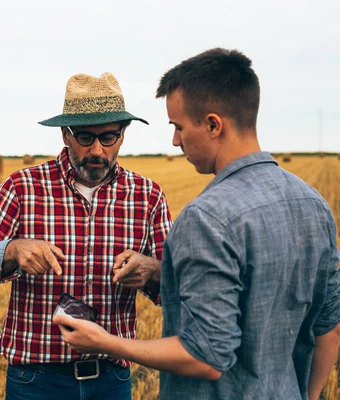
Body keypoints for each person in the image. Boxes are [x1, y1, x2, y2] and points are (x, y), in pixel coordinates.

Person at [54, 48, 340, 400]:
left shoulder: (206, 217)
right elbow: (329, 331)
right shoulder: (314, 205)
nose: (175, 141)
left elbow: (207, 356)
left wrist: (105, 342)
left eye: (178, 127)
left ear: (213, 124)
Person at [0, 72, 172, 399]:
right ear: (65, 135)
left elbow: (180, 291)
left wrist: (153, 271)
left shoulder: (147, 196)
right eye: (85, 137)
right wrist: (12, 250)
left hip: (110, 379)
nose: (97, 150)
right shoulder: (23, 188)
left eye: (109, 137)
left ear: (123, 135)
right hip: (35, 381)